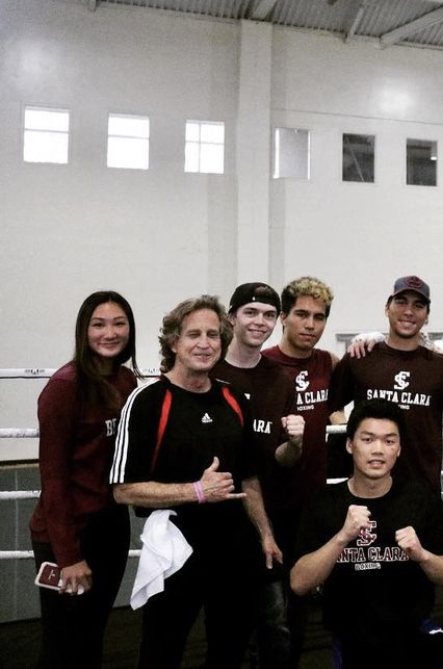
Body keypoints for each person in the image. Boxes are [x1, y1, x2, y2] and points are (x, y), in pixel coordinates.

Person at [110, 295, 280, 669]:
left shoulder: (233, 398)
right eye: (193, 335)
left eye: (213, 335)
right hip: (176, 548)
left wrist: (265, 533)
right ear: (174, 342)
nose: (204, 344)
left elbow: (248, 475)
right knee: (161, 649)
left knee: (230, 648)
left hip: (234, 546)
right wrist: (196, 491)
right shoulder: (147, 401)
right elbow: (123, 489)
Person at [290, 401, 443, 668]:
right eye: (368, 439)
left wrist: (422, 556)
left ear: (399, 449)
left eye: (389, 441)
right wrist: (342, 537)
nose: (378, 450)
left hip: (415, 630)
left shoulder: (419, 499)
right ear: (349, 445)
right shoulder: (324, 502)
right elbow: (299, 582)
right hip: (355, 638)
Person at [29, 291, 140, 669]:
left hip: (110, 526)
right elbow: (54, 478)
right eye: (99, 324)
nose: (110, 333)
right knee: (63, 642)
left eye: (119, 323)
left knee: (93, 633)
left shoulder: (126, 381)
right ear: (83, 330)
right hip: (67, 532)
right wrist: (69, 555)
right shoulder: (64, 387)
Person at [211, 282, 302, 669]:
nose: (259, 322)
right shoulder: (209, 368)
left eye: (268, 315)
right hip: (217, 518)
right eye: (251, 312)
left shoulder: (279, 378)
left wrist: (296, 443)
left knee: (275, 623)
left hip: (271, 512)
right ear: (232, 317)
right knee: (226, 627)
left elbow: (281, 458)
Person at [261, 275, 338, 666]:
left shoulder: (327, 362)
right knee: (269, 606)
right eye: (302, 315)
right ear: (284, 318)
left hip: (311, 499)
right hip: (267, 501)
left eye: (319, 317)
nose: (311, 324)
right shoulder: (264, 364)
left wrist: (370, 341)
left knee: (301, 596)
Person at [329, 275, 443, 490]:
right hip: (367, 489)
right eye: (401, 302)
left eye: (418, 305)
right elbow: (329, 405)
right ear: (386, 308)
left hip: (422, 489)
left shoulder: (440, 367)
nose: (408, 311)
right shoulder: (360, 357)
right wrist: (344, 429)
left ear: (427, 316)